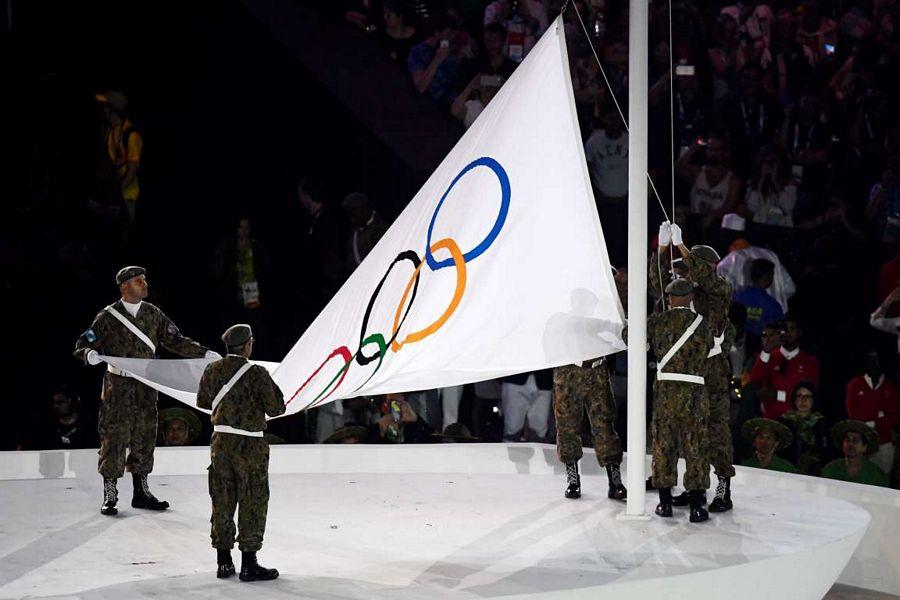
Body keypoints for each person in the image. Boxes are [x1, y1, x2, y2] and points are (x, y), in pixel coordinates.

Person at [74, 266, 216, 516]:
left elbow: (175, 340)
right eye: (139, 281)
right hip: (117, 386)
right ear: (124, 286)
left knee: (145, 434)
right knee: (114, 436)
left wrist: (203, 352)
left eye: (145, 280)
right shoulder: (108, 317)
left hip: (146, 385)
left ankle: (141, 491)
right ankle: (110, 492)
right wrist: (90, 354)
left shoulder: (153, 314)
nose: (145, 284)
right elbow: (83, 343)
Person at [196, 324, 286, 581]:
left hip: (221, 442)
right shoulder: (257, 373)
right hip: (249, 445)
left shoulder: (212, 370)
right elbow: (276, 407)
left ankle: (223, 562)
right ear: (248, 345)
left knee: (222, 499)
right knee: (253, 499)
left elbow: (202, 401)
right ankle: (249, 563)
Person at [657, 223, 736, 513]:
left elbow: (706, 277)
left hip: (712, 374)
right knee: (687, 435)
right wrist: (662, 249)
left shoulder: (719, 290)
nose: (687, 272)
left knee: (716, 431)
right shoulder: (687, 293)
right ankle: (695, 491)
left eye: (692, 266)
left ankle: (723, 487)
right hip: (689, 376)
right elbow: (658, 284)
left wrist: (681, 246)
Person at [646, 278, 715, 523]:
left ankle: (665, 503)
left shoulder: (657, 322)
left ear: (669, 298)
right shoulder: (703, 325)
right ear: (690, 297)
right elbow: (711, 351)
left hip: (666, 390)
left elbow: (628, 336)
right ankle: (697, 506)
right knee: (695, 446)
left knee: (663, 445)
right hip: (695, 390)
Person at [554, 358, 627, 502]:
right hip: (568, 369)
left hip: (597, 369)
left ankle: (615, 481)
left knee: (605, 424)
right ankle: (573, 480)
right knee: (567, 426)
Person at [748, 315, 821, 419]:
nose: (787, 333)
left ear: (799, 333)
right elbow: (754, 380)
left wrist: (777, 395)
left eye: (792, 329)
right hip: (770, 420)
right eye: (784, 329)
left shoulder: (810, 362)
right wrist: (765, 352)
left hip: (798, 421)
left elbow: (809, 396)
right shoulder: (768, 356)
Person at [844, 350, 900, 474]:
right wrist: (880, 415)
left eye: (877, 360)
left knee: (881, 482)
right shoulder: (855, 385)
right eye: (871, 360)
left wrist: (871, 421)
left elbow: (894, 418)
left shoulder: (892, 388)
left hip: (884, 444)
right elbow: (853, 415)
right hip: (860, 443)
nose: (875, 364)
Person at [95, 91, 143, 223]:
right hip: (114, 195)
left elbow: (131, 173)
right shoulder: (108, 130)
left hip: (129, 196)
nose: (101, 109)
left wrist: (114, 193)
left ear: (112, 110)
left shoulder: (132, 136)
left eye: (104, 106)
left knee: (125, 234)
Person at [778, 381, 831, 475]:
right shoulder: (784, 422)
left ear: (814, 400)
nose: (803, 400)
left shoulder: (822, 423)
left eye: (808, 396)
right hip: (788, 471)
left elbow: (825, 453)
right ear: (794, 400)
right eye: (799, 396)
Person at [820, 420, 890, 487]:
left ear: (864, 447)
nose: (850, 444)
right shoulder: (830, 469)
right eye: (847, 440)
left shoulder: (876, 475)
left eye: (855, 441)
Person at [733, 258, 784, 338]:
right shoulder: (773, 305)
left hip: (737, 345)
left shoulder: (736, 297)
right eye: (772, 275)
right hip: (760, 347)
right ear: (767, 277)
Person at [501, 369, 553, 442]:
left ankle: (538, 451)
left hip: (544, 378)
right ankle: (509, 451)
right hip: (515, 376)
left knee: (540, 428)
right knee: (512, 427)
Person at [343, 192, 388, 272]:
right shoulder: (354, 235)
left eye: (354, 215)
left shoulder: (382, 228)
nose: (352, 220)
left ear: (364, 209)